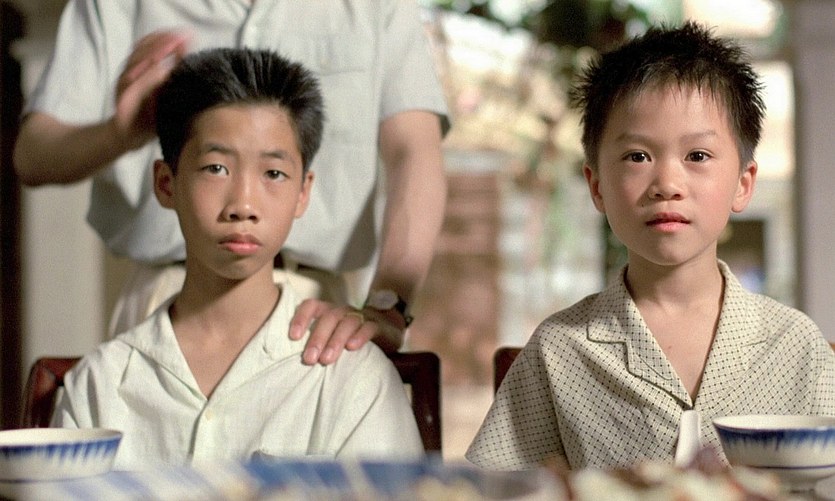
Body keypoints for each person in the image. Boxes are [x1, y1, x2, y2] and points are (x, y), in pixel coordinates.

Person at [466, 22, 835, 471]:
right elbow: (491, 487)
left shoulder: (795, 345)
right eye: (637, 156)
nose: (667, 184)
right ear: (597, 186)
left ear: (743, 183)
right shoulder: (558, 350)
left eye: (697, 156)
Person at [13, 1, 449, 365]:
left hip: (318, 314)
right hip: (163, 298)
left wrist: (389, 305)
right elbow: (33, 155)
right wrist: (122, 132)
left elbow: (415, 152)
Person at [50, 47, 425, 469]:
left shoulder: (352, 379)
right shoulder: (99, 386)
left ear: (303, 192)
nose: (243, 205)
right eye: (216, 168)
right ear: (166, 183)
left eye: (273, 173)